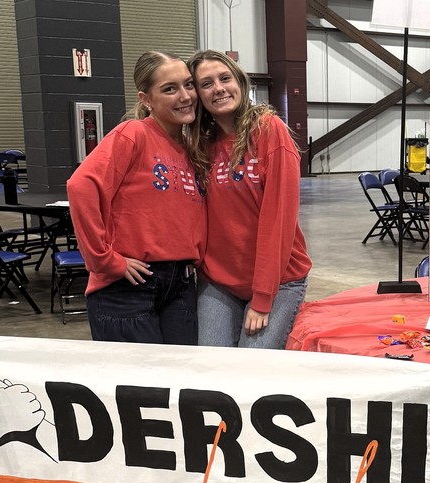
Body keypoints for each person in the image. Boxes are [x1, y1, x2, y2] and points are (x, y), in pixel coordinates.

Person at [67, 51, 203, 344]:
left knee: (182, 379)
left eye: (188, 85)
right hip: (129, 285)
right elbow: (81, 186)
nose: (185, 96)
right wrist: (104, 260)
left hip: (180, 284)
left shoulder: (190, 148)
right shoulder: (134, 133)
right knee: (140, 386)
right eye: (170, 89)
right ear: (146, 99)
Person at [187, 50, 312, 349]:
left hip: (278, 281)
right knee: (212, 367)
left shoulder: (269, 131)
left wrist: (263, 295)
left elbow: (278, 221)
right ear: (198, 95)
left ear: (240, 83)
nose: (218, 88)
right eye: (206, 83)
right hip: (219, 281)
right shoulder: (200, 143)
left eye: (224, 78)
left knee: (250, 367)